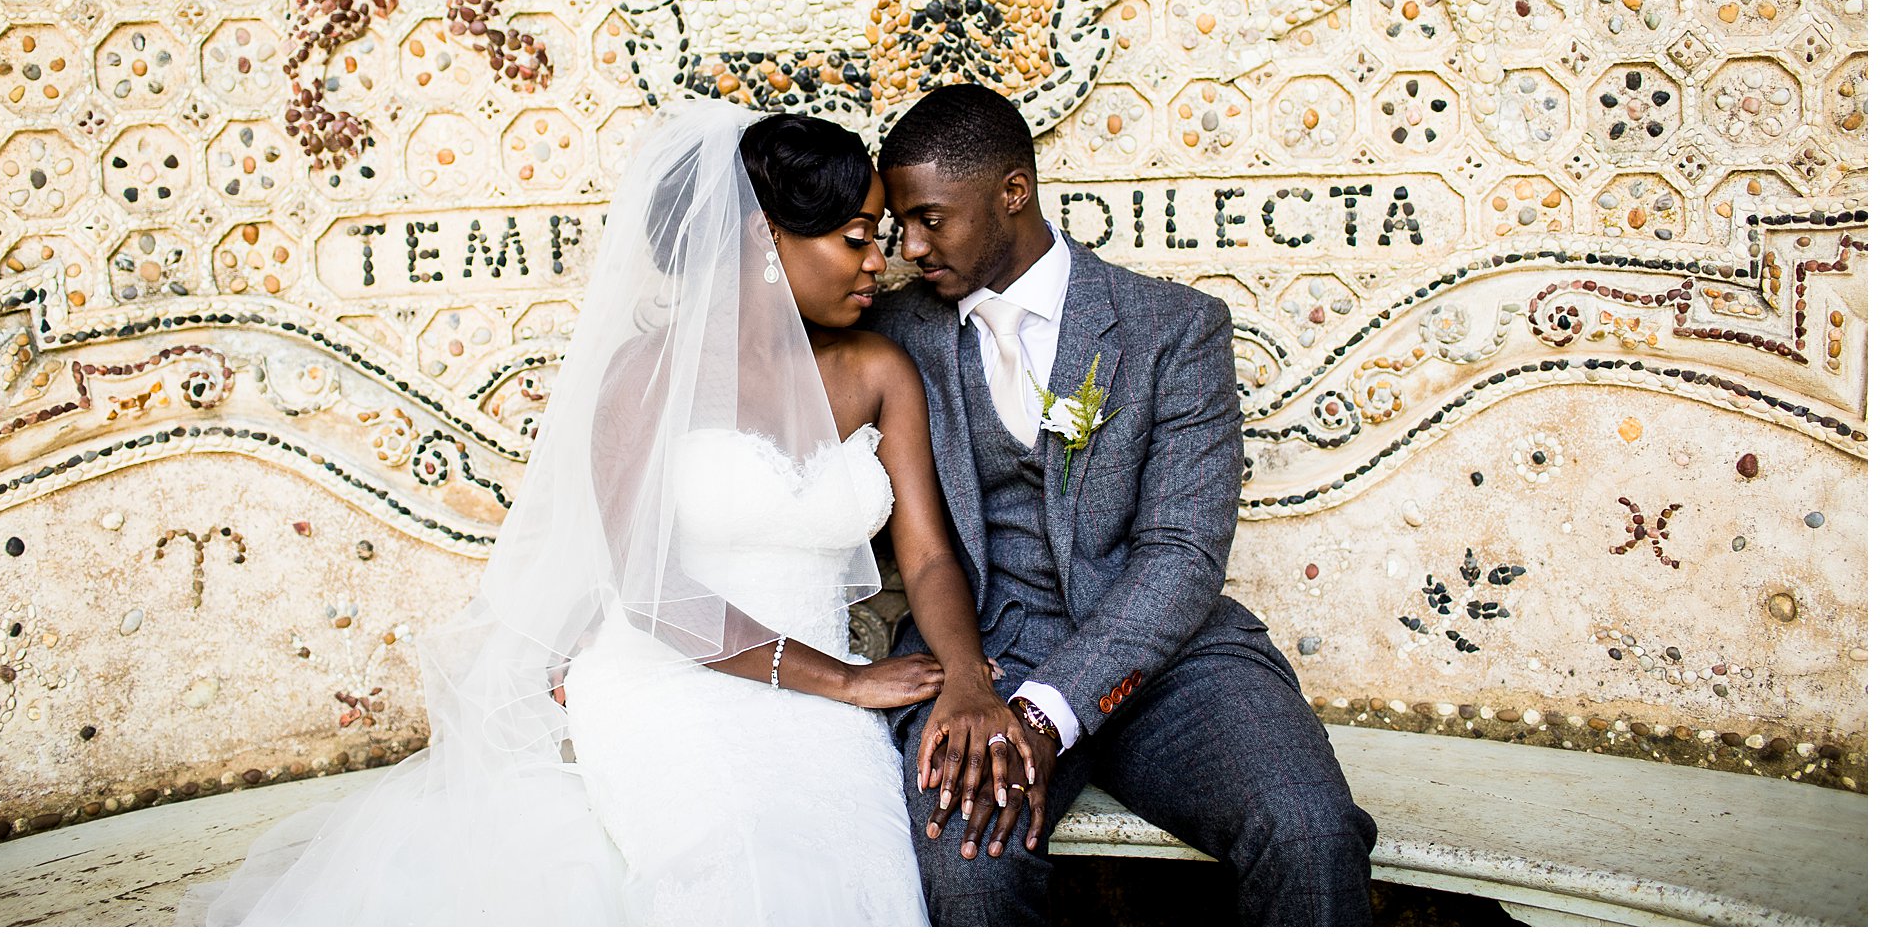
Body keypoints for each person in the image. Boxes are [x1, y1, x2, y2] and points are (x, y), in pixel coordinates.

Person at [184, 100, 1032, 924]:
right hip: (670, 682)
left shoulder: (877, 368)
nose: (880, 261)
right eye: (856, 238)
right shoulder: (645, 376)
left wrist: (963, 673)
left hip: (821, 709)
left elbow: (925, 558)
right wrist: (844, 679)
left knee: (861, 868)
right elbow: (654, 593)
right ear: (762, 240)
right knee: (743, 878)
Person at [867, 83, 1378, 925]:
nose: (909, 246)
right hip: (977, 659)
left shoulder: (1174, 328)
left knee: (1308, 830)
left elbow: (1182, 553)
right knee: (967, 868)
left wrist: (1046, 709)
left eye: (930, 218)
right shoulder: (893, 332)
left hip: (1171, 660)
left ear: (1012, 192)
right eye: (899, 226)